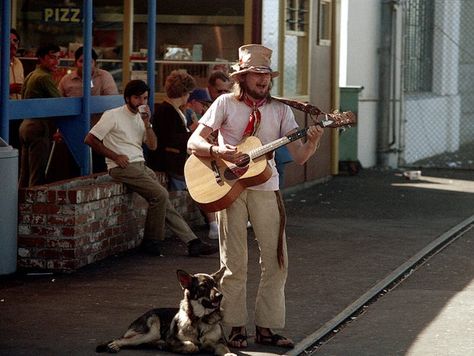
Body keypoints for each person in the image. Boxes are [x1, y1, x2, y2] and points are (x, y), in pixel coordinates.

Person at [187, 44, 324, 349]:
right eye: (257, 75)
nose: (263, 81)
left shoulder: (281, 109)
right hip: (228, 188)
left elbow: (299, 157)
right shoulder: (224, 103)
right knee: (233, 262)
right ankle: (235, 326)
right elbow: (194, 141)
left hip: (266, 187)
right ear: (243, 76)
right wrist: (217, 150)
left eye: (267, 75)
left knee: (277, 260)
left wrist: (313, 142)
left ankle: (267, 328)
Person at [84, 80, 218, 257]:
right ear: (127, 98)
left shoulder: (142, 117)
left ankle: (193, 242)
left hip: (139, 164)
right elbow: (90, 139)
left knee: (164, 201)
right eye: (137, 98)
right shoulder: (112, 115)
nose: (141, 102)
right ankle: (151, 241)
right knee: (160, 195)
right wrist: (115, 156)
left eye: (145, 98)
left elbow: (153, 145)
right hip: (121, 166)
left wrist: (147, 123)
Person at [147, 71, 219, 240]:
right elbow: (171, 139)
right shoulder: (167, 111)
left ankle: (215, 222)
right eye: (188, 93)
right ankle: (214, 223)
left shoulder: (172, 110)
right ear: (184, 93)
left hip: (175, 160)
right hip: (171, 163)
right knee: (204, 181)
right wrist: (192, 133)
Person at [59, 46, 119, 172]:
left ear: (95, 63)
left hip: (100, 132)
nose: (86, 65)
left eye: (90, 62)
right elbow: (59, 105)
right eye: (81, 61)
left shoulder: (104, 77)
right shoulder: (66, 80)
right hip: (73, 131)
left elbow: (112, 103)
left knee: (99, 166)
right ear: (76, 62)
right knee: (74, 166)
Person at [19, 43, 62, 187]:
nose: (56, 62)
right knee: (37, 175)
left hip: (25, 125)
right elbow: (60, 103)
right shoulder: (44, 77)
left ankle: (17, 207)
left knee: (24, 174)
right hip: (38, 127)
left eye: (58, 58)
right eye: (52, 57)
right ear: (41, 58)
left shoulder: (32, 74)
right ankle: (32, 208)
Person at [9, 28, 24, 149]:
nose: (12, 44)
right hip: (4, 113)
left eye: (15, 41)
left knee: (16, 148)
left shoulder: (18, 63)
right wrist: (8, 89)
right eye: (9, 41)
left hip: (18, 113)